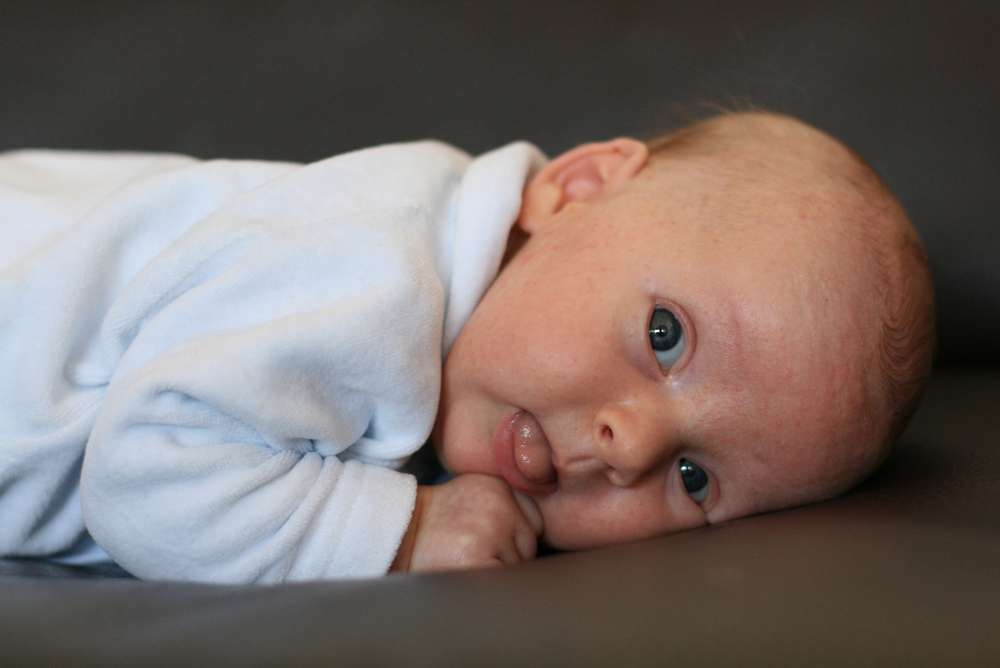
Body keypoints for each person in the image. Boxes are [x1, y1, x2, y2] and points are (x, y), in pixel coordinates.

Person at [0, 111, 935, 582]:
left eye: (695, 480)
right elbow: (145, 474)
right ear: (576, 188)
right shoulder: (373, 270)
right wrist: (403, 534)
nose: (632, 445)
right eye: (666, 336)